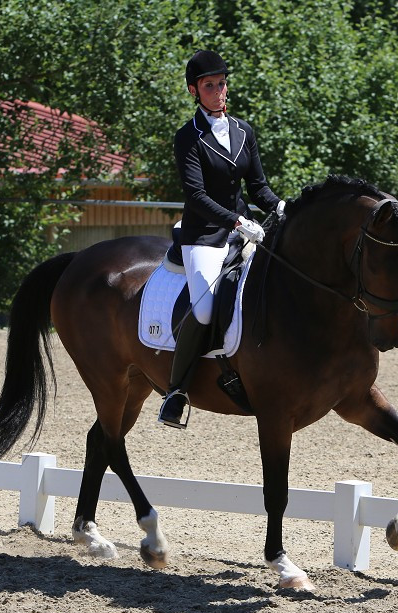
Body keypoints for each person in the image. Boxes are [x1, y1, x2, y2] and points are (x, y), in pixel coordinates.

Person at [158, 49, 284, 429]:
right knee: (205, 308)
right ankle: (176, 392)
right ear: (195, 91)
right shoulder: (188, 137)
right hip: (204, 237)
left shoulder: (244, 130)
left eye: (222, 84)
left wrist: (280, 207)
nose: (218, 91)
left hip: (243, 229)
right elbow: (196, 196)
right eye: (209, 86)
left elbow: (259, 186)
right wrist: (236, 222)